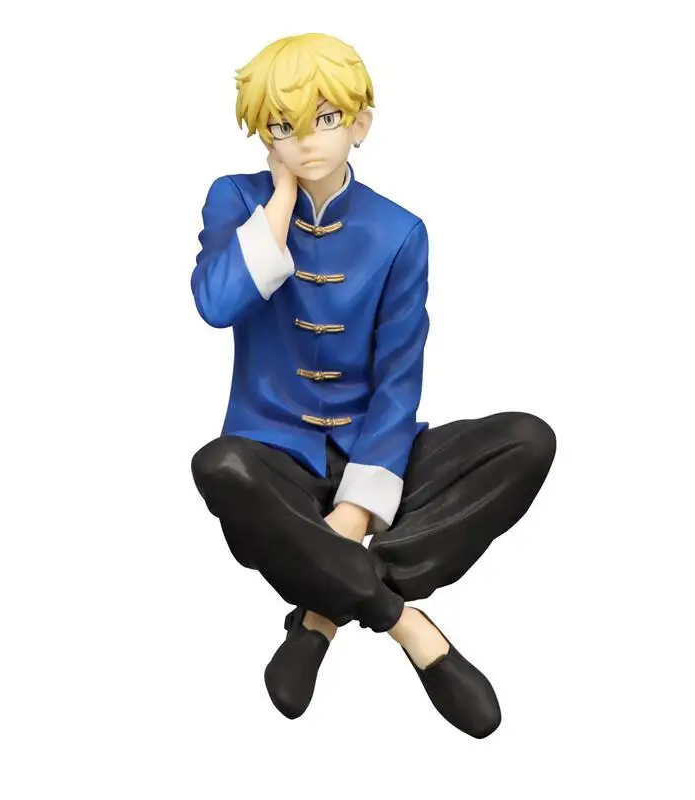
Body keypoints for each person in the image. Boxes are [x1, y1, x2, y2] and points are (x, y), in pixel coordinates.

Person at [190, 32, 556, 737]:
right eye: (283, 125)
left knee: (526, 441)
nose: (306, 140)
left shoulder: (400, 231)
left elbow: (398, 378)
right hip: (276, 463)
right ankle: (407, 625)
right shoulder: (234, 200)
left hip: (376, 452)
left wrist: (357, 512)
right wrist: (280, 200)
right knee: (219, 465)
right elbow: (216, 303)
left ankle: (319, 615)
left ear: (360, 123)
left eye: (325, 118)